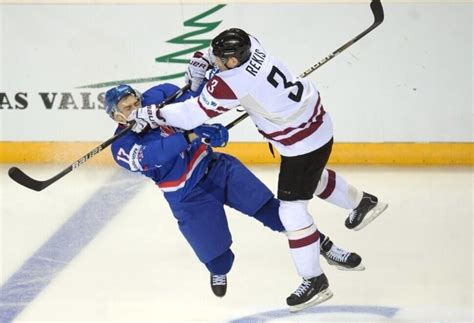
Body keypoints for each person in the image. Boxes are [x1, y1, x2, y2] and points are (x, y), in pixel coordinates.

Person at [127, 28, 388, 312]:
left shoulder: (231, 84)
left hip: (301, 143)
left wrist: (153, 114)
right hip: (317, 122)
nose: (217, 59)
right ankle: (363, 202)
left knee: (291, 210)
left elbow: (193, 114)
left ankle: (314, 280)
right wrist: (204, 58)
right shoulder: (253, 44)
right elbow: (225, 57)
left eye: (221, 59)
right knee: (311, 179)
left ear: (234, 62)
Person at [104, 81, 365, 300]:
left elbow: (192, 104)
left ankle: (326, 247)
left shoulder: (158, 96)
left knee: (278, 213)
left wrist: (196, 84)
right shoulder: (122, 147)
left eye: (135, 100)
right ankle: (217, 267)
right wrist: (192, 136)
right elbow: (155, 154)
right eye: (127, 108)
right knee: (220, 262)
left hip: (218, 169)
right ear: (117, 117)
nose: (136, 107)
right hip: (188, 197)